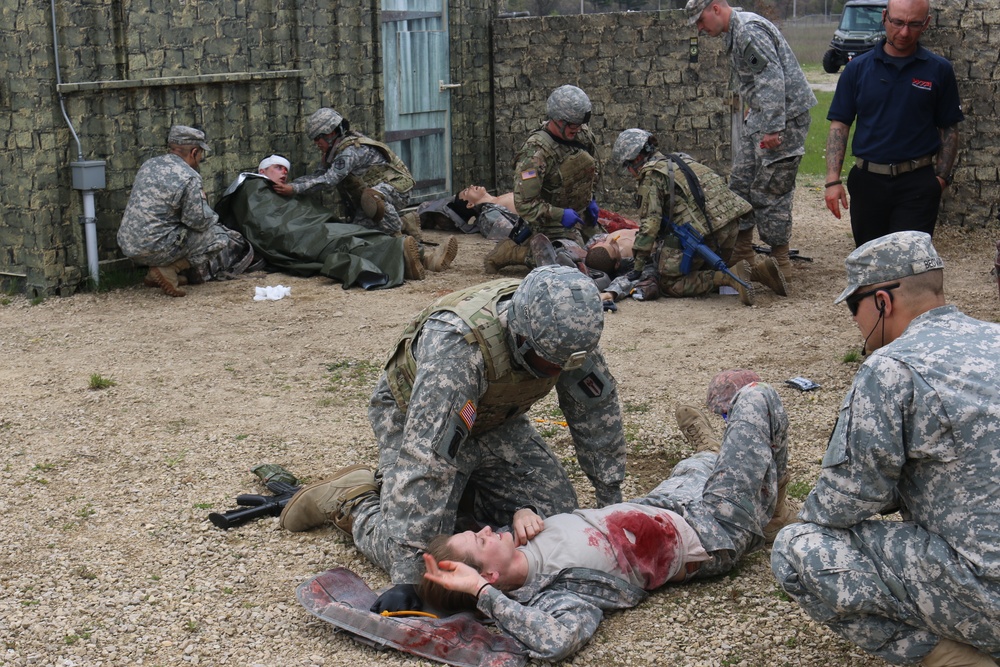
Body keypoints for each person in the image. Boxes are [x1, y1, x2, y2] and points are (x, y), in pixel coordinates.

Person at [278, 266, 628, 613]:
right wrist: (406, 578)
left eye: (562, 365)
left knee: (556, 518)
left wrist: (611, 506)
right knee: (432, 563)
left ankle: (465, 498)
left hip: (494, 419)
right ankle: (354, 502)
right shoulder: (458, 348)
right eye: (546, 362)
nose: (555, 371)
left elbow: (596, 414)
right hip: (416, 421)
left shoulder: (565, 335)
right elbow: (426, 457)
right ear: (520, 333)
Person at [419, 381, 794, 662]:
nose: (487, 530)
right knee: (757, 397)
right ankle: (771, 508)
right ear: (489, 578)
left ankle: (711, 456)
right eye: (480, 541)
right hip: (712, 527)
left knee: (702, 466)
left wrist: (522, 512)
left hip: (665, 502)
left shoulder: (512, 539)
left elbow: (493, 528)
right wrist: (483, 597)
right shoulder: (556, 595)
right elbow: (555, 642)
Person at [771, 231, 1000, 667]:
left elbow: (844, 501)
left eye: (853, 307)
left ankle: (956, 656)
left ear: (882, 301)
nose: (854, 321)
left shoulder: (892, 367)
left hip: (987, 593)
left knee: (797, 547)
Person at [686, 0, 817, 279]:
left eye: (701, 20)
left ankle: (781, 262)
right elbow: (757, 79)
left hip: (784, 120)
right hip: (763, 115)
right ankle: (743, 253)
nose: (700, 28)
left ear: (716, 8)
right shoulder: (736, 31)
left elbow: (771, 78)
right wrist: (755, 105)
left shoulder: (748, 31)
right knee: (741, 184)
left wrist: (771, 126)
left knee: (771, 189)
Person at [822, 0, 963, 247]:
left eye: (914, 24)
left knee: (909, 268)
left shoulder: (939, 70)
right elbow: (839, 125)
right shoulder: (857, 69)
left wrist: (940, 178)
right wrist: (833, 180)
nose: (905, 32)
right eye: (898, 22)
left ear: (926, 24)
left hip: (917, 183)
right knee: (871, 262)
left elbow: (949, 128)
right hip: (868, 181)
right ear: (885, 17)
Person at [216, 155, 455, 288]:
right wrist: (304, 226)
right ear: (262, 170)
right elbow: (266, 224)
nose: (284, 173)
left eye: (286, 169)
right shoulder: (251, 188)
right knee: (344, 241)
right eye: (278, 168)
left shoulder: (278, 191)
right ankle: (407, 258)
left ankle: (424, 257)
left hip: (309, 228)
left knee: (355, 232)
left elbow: (301, 210)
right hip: (295, 236)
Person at [609, 128, 788, 307]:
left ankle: (729, 278)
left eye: (627, 166)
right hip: (731, 225)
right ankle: (759, 273)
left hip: (703, 235)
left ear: (636, 160)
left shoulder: (652, 175)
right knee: (705, 269)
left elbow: (650, 224)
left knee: (670, 283)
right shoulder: (681, 159)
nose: (630, 173)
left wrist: (638, 267)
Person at [117, 125, 252, 297]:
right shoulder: (189, 176)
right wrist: (210, 211)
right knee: (218, 236)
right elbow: (198, 222)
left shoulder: (148, 165)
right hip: (154, 247)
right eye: (201, 153)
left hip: (128, 245)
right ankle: (169, 268)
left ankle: (154, 273)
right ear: (194, 152)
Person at [485, 85, 601, 274]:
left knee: (604, 254)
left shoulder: (581, 135)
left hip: (578, 213)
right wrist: (559, 214)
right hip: (548, 220)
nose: (577, 129)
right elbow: (525, 205)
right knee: (569, 263)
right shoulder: (535, 153)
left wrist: (591, 199)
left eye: (580, 124)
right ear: (557, 119)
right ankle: (514, 253)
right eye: (572, 124)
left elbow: (588, 171)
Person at [274, 107, 420, 239]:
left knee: (372, 198)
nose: (316, 143)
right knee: (359, 235)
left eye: (318, 138)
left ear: (330, 133)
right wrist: (291, 185)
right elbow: (318, 176)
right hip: (371, 198)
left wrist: (293, 189)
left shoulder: (349, 152)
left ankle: (399, 238)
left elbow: (329, 180)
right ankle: (406, 223)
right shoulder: (333, 152)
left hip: (396, 191)